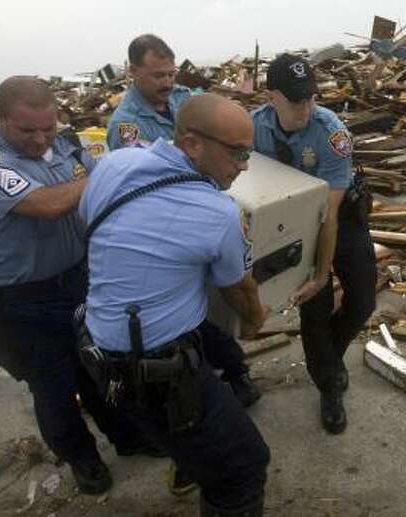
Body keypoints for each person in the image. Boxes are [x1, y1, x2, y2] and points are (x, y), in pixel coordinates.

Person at [0, 76, 159, 496]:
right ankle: (82, 459)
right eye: (26, 130)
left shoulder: (68, 146)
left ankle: (128, 437)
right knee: (53, 387)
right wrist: (111, 174)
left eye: (47, 128)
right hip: (21, 300)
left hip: (79, 281)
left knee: (100, 367)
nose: (39, 139)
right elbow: (46, 205)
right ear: (0, 119)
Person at [78, 93, 270, 516]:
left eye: (248, 153)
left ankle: (191, 461)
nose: (244, 166)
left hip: (100, 347)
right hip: (158, 375)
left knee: (197, 441)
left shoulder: (114, 163)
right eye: (237, 153)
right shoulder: (219, 212)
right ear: (192, 144)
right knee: (243, 468)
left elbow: (92, 226)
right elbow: (239, 289)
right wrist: (256, 321)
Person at [107, 34, 259, 411]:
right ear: (133, 71)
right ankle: (213, 377)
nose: (167, 82)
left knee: (211, 302)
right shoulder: (127, 126)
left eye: (171, 73)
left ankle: (233, 369)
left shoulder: (183, 101)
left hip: (208, 209)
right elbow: (145, 194)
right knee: (194, 311)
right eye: (157, 75)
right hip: (171, 229)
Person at [252, 54, 376, 434]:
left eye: (311, 98)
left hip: (340, 218)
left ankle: (329, 359)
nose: (305, 108)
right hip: (293, 226)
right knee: (313, 307)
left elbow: (329, 213)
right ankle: (329, 384)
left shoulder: (330, 133)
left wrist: (324, 272)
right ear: (271, 96)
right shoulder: (253, 129)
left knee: (363, 299)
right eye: (295, 101)